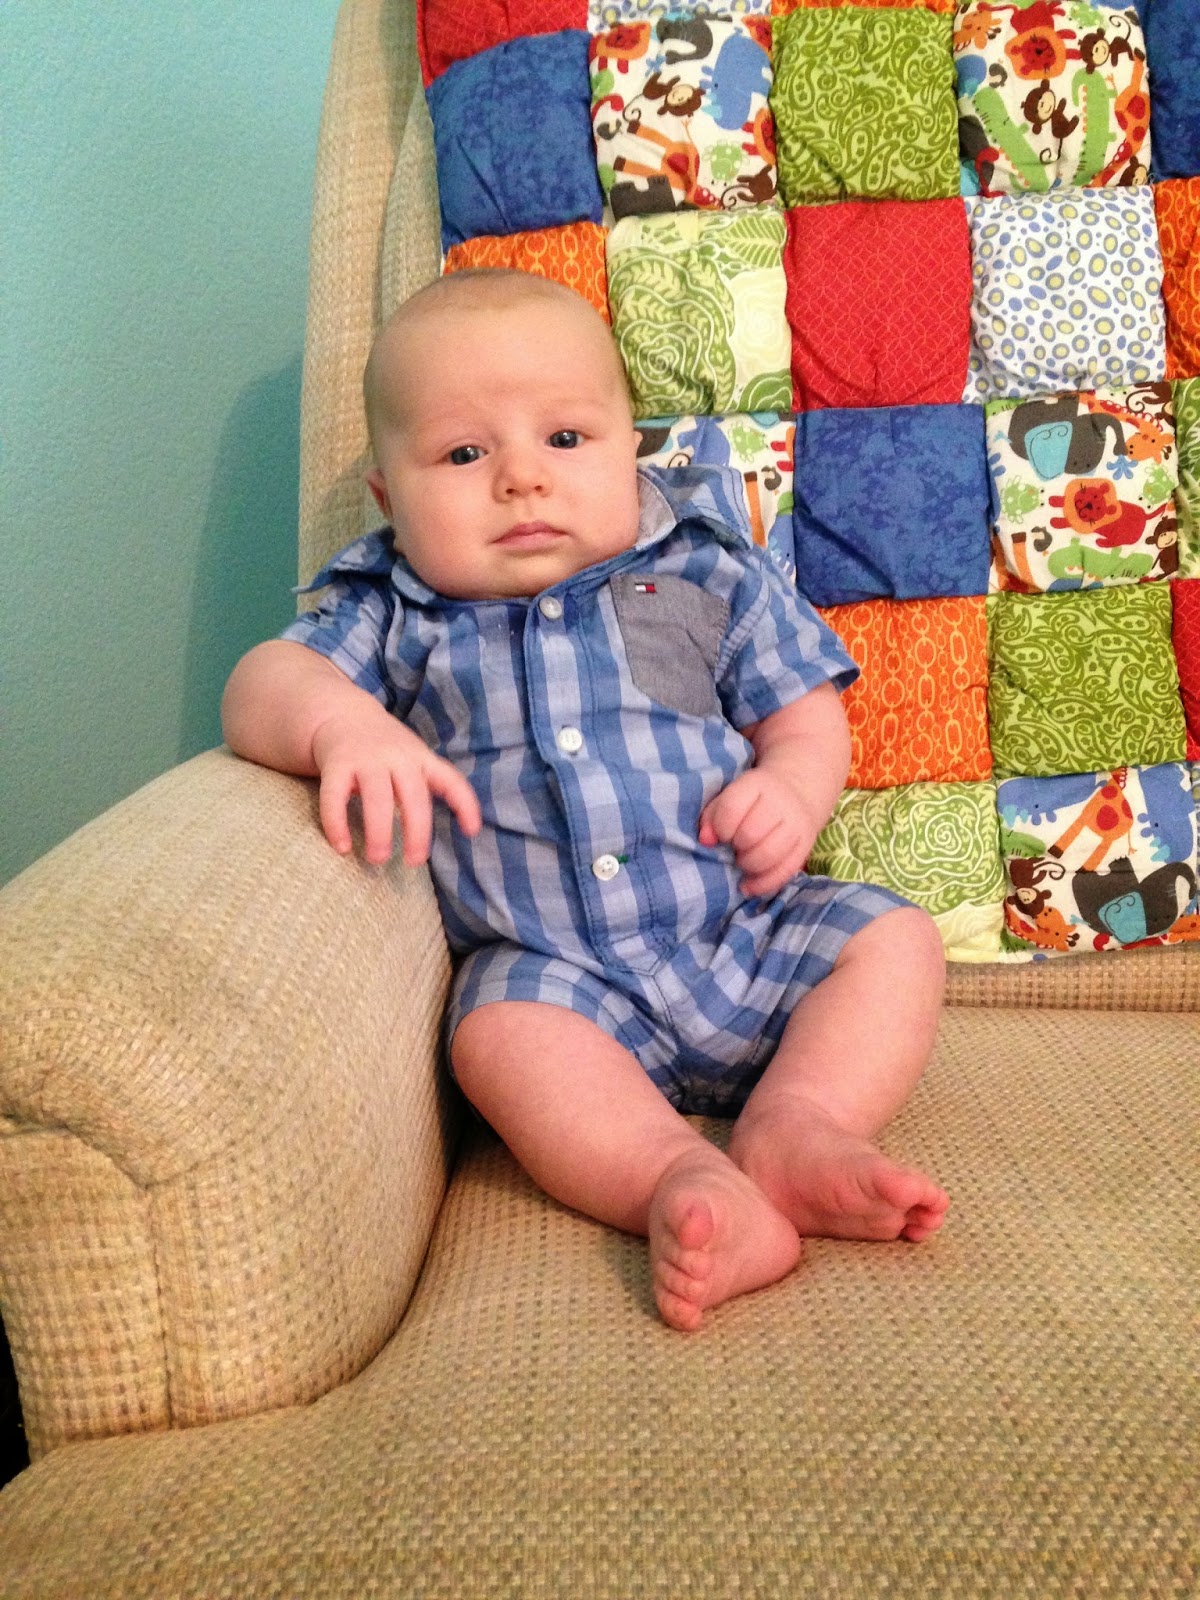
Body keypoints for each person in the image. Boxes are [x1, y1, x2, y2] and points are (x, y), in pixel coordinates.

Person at [222, 268, 948, 1332]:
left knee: (894, 939)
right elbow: (259, 687)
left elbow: (802, 707)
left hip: (739, 932)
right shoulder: (393, 609)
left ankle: (799, 1125)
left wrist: (791, 788)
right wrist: (343, 727)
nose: (522, 478)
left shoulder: (701, 569)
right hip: (558, 983)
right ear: (387, 499)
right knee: (493, 1037)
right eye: (463, 455)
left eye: (565, 438)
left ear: (629, 451)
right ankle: (674, 1181)